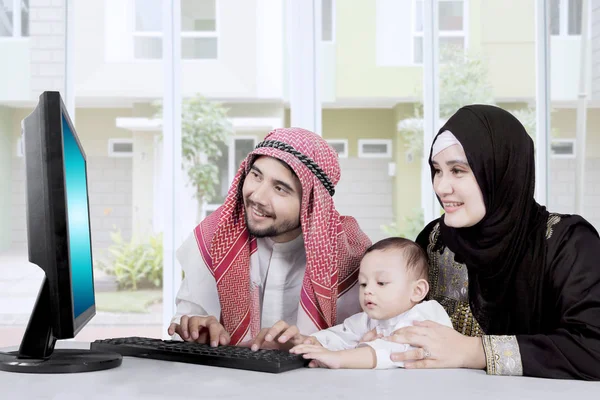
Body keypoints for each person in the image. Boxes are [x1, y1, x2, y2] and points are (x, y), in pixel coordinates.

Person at [384, 104, 600, 380]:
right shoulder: (434, 240)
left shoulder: (567, 243)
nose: (441, 187)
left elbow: (593, 347)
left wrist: (476, 352)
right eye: (437, 170)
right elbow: (402, 323)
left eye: (458, 170)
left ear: (500, 171)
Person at [167, 127, 372, 348]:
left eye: (280, 189)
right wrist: (196, 331)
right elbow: (185, 320)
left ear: (312, 204)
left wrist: (314, 343)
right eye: (256, 176)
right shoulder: (216, 235)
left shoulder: (352, 255)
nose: (257, 196)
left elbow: (373, 337)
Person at [287, 237, 453, 369]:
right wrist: (312, 343)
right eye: (364, 283)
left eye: (381, 283)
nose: (367, 291)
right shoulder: (370, 318)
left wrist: (339, 358)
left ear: (417, 291)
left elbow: (394, 352)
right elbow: (342, 335)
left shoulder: (425, 315)